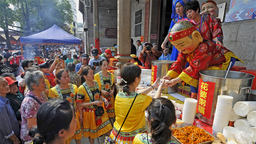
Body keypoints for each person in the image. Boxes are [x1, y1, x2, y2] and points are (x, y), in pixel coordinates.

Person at [163, 20, 242, 99]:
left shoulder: (205, 47)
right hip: (204, 62)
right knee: (193, 74)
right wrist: (168, 76)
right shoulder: (183, 49)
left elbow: (195, 68)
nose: (179, 49)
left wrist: (175, 81)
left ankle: (207, 97)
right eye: (176, 46)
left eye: (181, 44)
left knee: (200, 74)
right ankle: (194, 96)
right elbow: (179, 62)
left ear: (196, 36)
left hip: (222, 60)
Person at [109, 63, 165, 144]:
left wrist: (153, 86)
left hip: (117, 136)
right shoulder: (140, 100)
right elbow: (156, 101)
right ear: (136, 79)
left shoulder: (119, 94)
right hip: (132, 140)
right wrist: (160, 87)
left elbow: (137, 95)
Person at [76, 66, 112, 144]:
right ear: (85, 76)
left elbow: (99, 95)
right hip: (89, 113)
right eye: (91, 74)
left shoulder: (96, 83)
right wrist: (94, 103)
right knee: (91, 134)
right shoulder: (81, 88)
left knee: (108, 127)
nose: (93, 75)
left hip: (100, 110)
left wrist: (103, 99)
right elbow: (79, 103)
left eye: (93, 73)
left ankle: (109, 142)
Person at [48, 69, 82, 144]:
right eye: (64, 77)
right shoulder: (53, 91)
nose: (67, 79)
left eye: (68, 76)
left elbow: (78, 102)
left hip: (74, 116)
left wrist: (81, 115)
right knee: (64, 138)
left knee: (78, 136)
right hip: (62, 119)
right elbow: (52, 108)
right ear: (58, 79)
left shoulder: (74, 87)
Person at [20, 70, 48, 142]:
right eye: (42, 82)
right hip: (33, 139)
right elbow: (32, 127)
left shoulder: (41, 94)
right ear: (33, 85)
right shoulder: (30, 102)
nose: (45, 84)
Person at [94, 59, 115, 124]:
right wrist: (101, 91)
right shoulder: (96, 76)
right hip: (102, 98)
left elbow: (113, 85)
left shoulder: (111, 75)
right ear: (100, 66)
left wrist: (113, 91)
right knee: (103, 115)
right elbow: (95, 88)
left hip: (110, 98)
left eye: (107, 65)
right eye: (104, 65)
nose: (106, 67)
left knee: (111, 116)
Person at [0, 76, 20, 144]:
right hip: (8, 141)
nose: (7, 86)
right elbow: (5, 126)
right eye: (3, 85)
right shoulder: (1, 105)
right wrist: (14, 139)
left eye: (6, 84)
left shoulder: (5, 100)